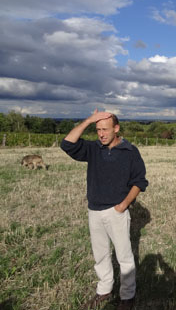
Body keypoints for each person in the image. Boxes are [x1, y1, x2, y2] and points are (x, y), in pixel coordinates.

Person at [60, 109, 148, 310]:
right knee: (100, 255)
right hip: (94, 210)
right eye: (98, 129)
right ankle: (104, 290)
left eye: (105, 129)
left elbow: (139, 181)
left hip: (116, 212)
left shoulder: (130, 152)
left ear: (116, 129)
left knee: (124, 257)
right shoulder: (93, 149)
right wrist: (89, 120)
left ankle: (127, 297)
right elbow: (66, 144)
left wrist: (123, 205)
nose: (101, 134)